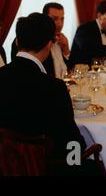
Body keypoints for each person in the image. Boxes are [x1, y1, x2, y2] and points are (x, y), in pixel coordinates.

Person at [0, 13, 86, 159]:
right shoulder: (55, 88)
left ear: (17, 41)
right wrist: (77, 162)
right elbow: (71, 142)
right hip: (43, 166)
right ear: (49, 44)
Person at [11, 2, 69, 78]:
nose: (60, 24)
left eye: (62, 19)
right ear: (45, 18)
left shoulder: (61, 40)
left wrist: (66, 50)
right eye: (55, 19)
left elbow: (69, 70)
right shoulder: (29, 38)